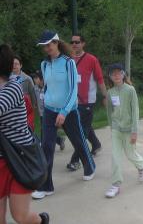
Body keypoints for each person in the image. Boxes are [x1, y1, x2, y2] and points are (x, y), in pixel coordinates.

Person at [32, 31, 95, 200]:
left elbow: (73, 90)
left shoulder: (68, 63)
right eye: (44, 46)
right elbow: (47, 88)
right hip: (50, 111)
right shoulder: (44, 65)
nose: (47, 48)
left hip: (69, 111)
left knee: (78, 141)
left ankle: (90, 166)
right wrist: (46, 105)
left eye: (49, 44)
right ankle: (46, 186)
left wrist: (64, 111)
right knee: (46, 146)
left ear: (57, 43)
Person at [0, 44, 49, 224]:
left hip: (21, 158)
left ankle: (41, 221)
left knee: (19, 215)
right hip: (1, 160)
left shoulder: (12, 88)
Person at [105, 64, 143, 198]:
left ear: (123, 75)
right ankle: (115, 184)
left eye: (119, 73)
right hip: (116, 129)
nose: (116, 76)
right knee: (115, 156)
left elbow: (135, 111)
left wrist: (135, 131)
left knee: (130, 154)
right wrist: (112, 126)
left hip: (129, 129)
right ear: (110, 77)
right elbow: (109, 111)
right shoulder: (110, 92)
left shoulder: (130, 90)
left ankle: (142, 167)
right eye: (113, 74)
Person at [66, 34, 107, 171]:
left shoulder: (91, 59)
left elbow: (100, 79)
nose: (74, 44)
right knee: (84, 126)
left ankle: (75, 160)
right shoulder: (67, 59)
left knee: (81, 131)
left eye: (77, 42)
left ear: (83, 43)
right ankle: (96, 144)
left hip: (87, 101)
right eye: (72, 42)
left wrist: (105, 96)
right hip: (72, 101)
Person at [32, 72, 65, 150]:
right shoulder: (35, 88)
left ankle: (43, 148)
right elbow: (35, 98)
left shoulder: (48, 87)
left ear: (42, 79)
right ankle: (59, 140)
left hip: (49, 112)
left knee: (45, 130)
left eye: (36, 78)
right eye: (34, 78)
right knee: (47, 130)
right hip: (41, 112)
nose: (34, 80)